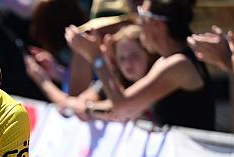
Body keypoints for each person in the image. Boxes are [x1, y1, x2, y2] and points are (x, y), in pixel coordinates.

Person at [65, 0, 216, 130]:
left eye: (141, 16)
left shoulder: (178, 64)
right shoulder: (166, 61)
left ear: (158, 25)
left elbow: (122, 106)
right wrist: (88, 108)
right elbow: (127, 105)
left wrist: (96, 57)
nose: (138, 22)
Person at [26, 24, 157, 119]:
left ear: (149, 54)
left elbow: (121, 107)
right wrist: (41, 78)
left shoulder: (156, 79)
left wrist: (97, 57)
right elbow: (75, 104)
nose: (128, 63)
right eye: (122, 58)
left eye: (134, 55)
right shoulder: (114, 80)